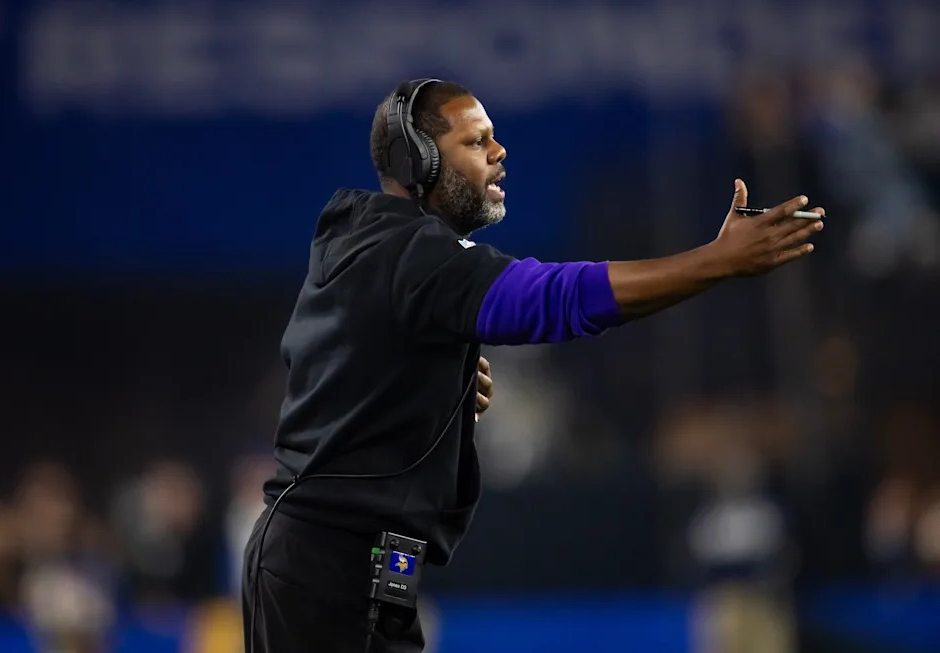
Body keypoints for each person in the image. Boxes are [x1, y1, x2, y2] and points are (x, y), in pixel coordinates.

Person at [241, 78, 825, 653]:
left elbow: (325, 359)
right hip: (326, 563)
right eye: (474, 142)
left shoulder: (385, 249)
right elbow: (554, 299)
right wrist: (714, 261)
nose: (497, 153)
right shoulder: (408, 252)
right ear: (418, 163)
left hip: (367, 561)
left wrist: (426, 386)